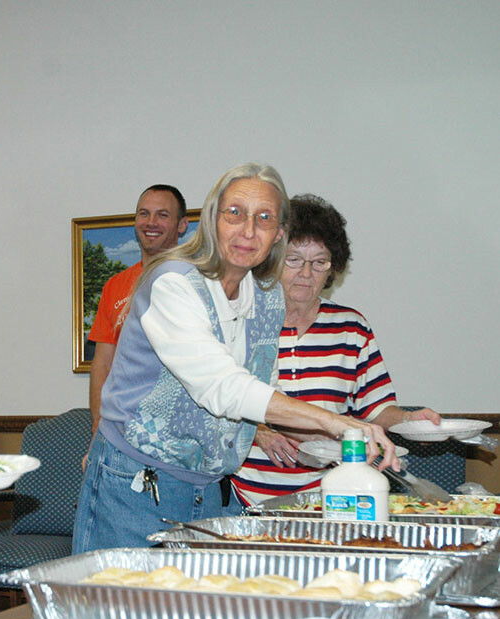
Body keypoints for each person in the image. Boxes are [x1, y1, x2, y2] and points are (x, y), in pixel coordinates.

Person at [72, 163, 401, 554]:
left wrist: (318, 435)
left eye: (264, 218)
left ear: (278, 233)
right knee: (116, 610)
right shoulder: (173, 282)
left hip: (209, 489)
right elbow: (221, 386)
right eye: (235, 214)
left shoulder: (267, 297)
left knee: (193, 613)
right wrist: (337, 423)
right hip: (135, 483)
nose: (249, 230)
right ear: (212, 220)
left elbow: (259, 391)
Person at [228, 194, 440, 508]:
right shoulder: (242, 320)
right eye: (294, 259)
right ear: (272, 259)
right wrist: (257, 431)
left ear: (332, 269)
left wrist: (411, 419)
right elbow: (218, 397)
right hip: (242, 494)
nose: (305, 272)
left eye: (319, 262)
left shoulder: (351, 328)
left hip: (330, 494)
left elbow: (376, 410)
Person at [87, 185, 188, 437]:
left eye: (162, 215)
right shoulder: (114, 286)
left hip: (179, 432)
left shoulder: (196, 280)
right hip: (121, 429)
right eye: (144, 214)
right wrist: (98, 430)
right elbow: (102, 364)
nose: (151, 222)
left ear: (182, 224)